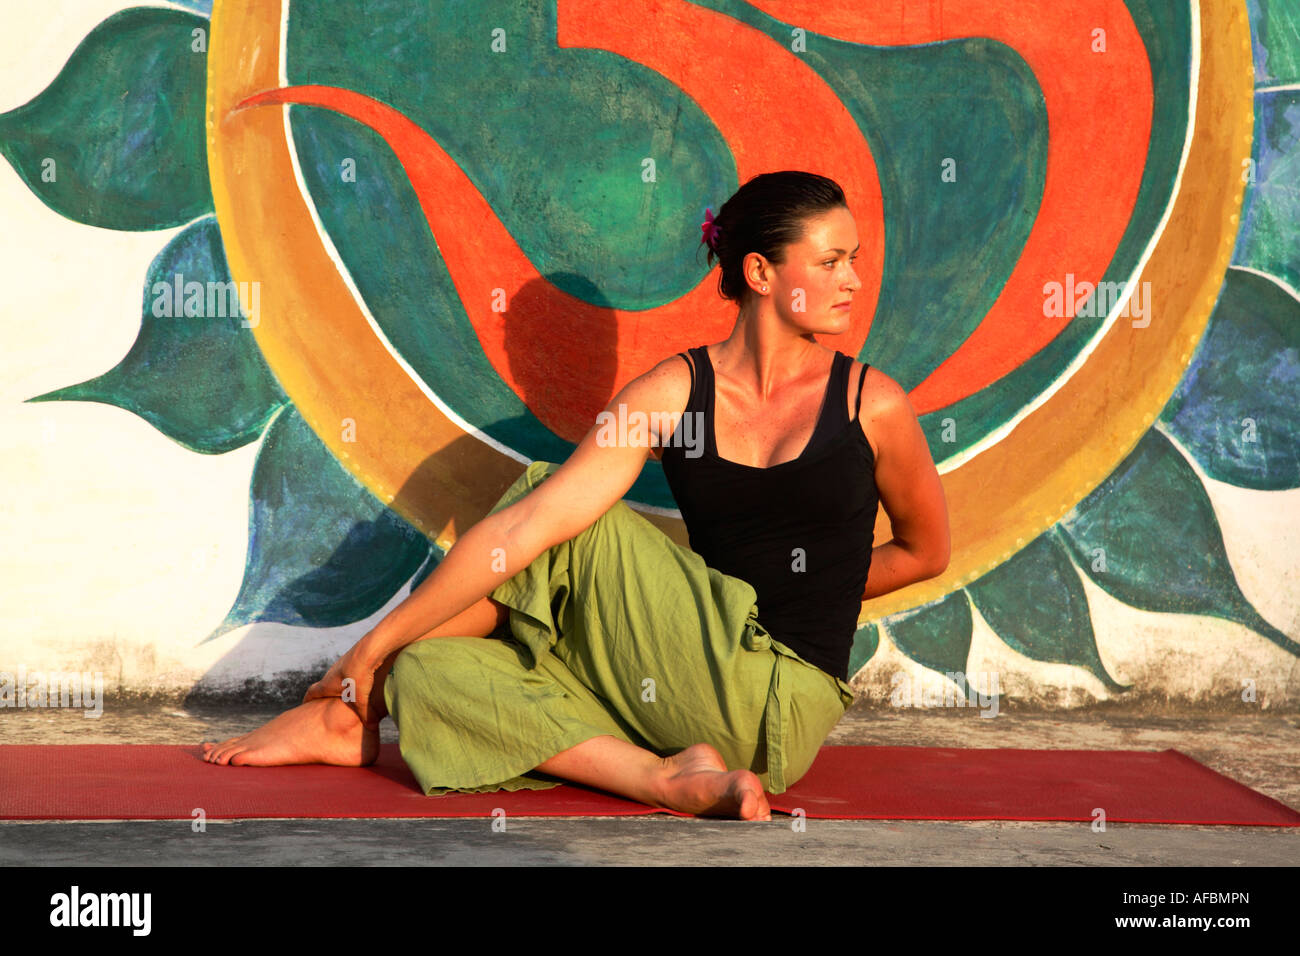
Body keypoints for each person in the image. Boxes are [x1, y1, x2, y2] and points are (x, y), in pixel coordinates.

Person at [202, 170, 950, 822]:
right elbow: (529, 532)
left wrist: (806, 590)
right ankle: (665, 777)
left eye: (853, 259)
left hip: (781, 706)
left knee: (554, 511)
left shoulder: (872, 405)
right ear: (760, 273)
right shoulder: (671, 392)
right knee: (434, 665)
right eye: (831, 261)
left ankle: (349, 711)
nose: (854, 279)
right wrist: (388, 650)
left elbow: (926, 552)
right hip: (683, 692)